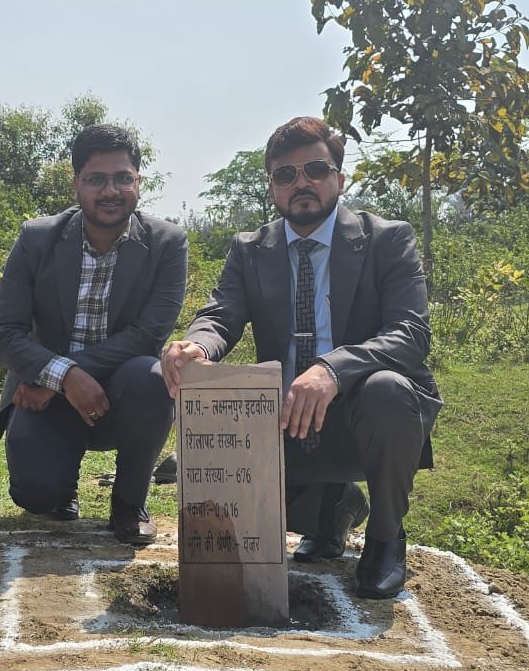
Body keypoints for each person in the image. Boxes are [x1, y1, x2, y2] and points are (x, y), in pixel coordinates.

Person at [161, 116, 442, 599]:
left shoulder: (387, 239)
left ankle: (385, 540)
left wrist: (333, 369)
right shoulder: (251, 249)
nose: (302, 183)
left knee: (388, 390)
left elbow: (410, 332)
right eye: (285, 174)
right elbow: (221, 313)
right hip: (285, 417)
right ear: (272, 186)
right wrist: (197, 345)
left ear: (340, 177)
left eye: (315, 169)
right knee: (230, 499)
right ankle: (331, 507)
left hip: (362, 413)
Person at [0, 124, 187, 546]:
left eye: (122, 178)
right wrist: (60, 377)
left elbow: (149, 333)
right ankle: (63, 487)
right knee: (36, 494)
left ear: (138, 182)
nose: (110, 191)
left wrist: (66, 376)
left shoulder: (168, 242)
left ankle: (130, 504)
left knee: (152, 379)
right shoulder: (38, 238)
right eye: (96, 179)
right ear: (76, 184)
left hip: (120, 390)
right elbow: (2, 332)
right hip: (44, 387)